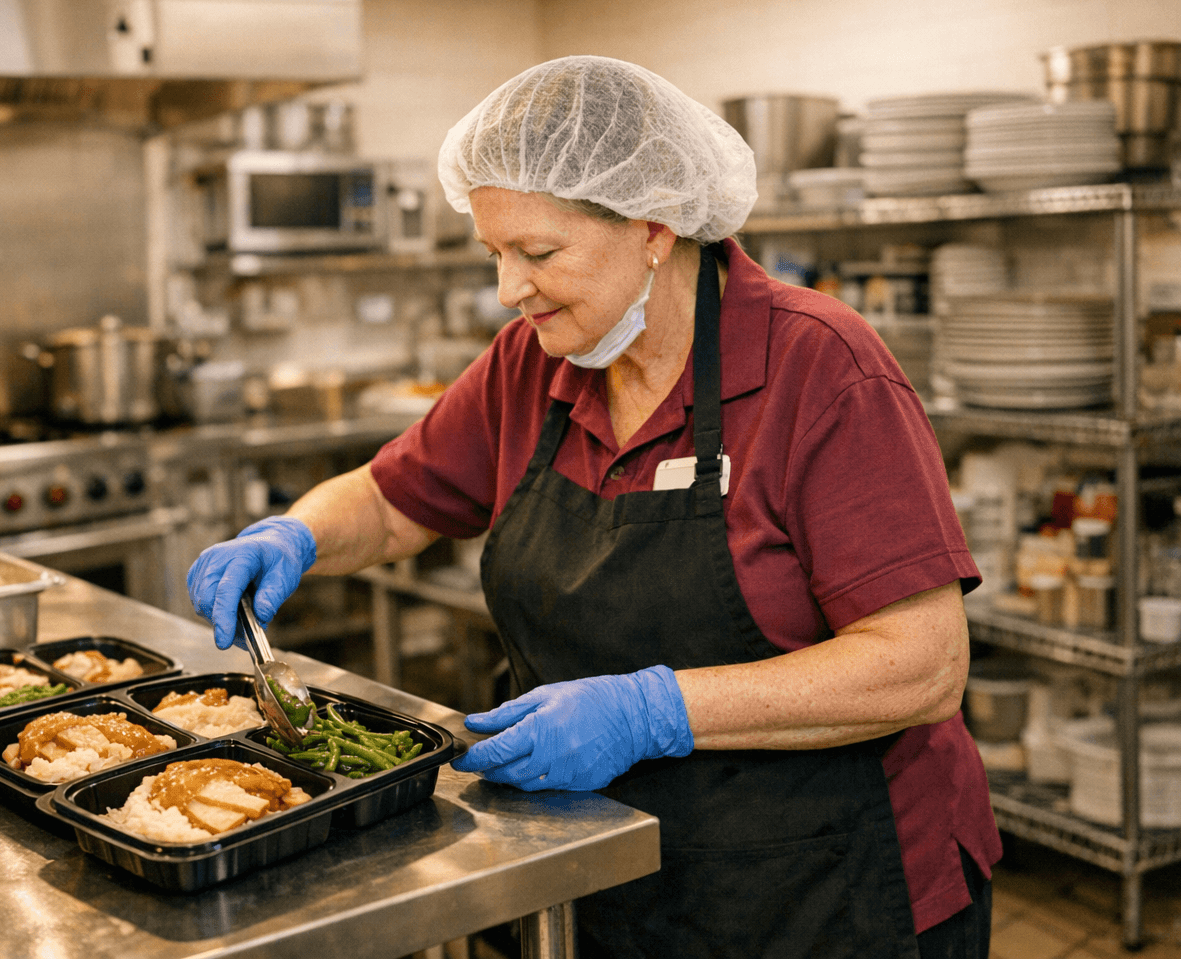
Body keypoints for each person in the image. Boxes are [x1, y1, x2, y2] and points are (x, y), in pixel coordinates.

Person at [188, 56, 998, 958]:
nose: (510, 289)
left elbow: (921, 664)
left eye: (538, 254)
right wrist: (296, 531)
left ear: (653, 227)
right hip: (602, 871)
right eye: (495, 254)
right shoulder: (533, 360)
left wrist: (652, 712)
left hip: (822, 892)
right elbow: (390, 502)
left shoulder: (819, 366)